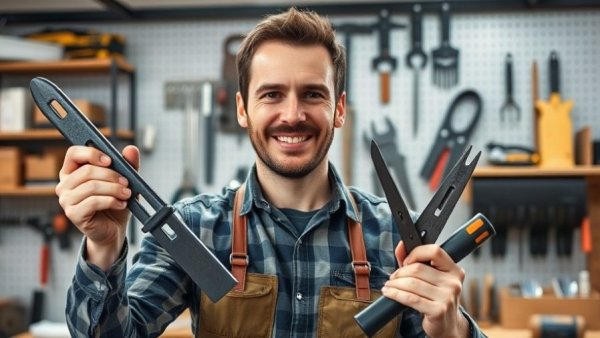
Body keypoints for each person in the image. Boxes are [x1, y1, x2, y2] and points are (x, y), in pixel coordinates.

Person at [60, 7, 485, 338]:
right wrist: (104, 245)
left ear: (338, 109)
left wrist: (452, 329)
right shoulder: (194, 231)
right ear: (243, 109)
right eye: (272, 95)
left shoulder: (393, 236)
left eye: (313, 94)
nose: (293, 114)